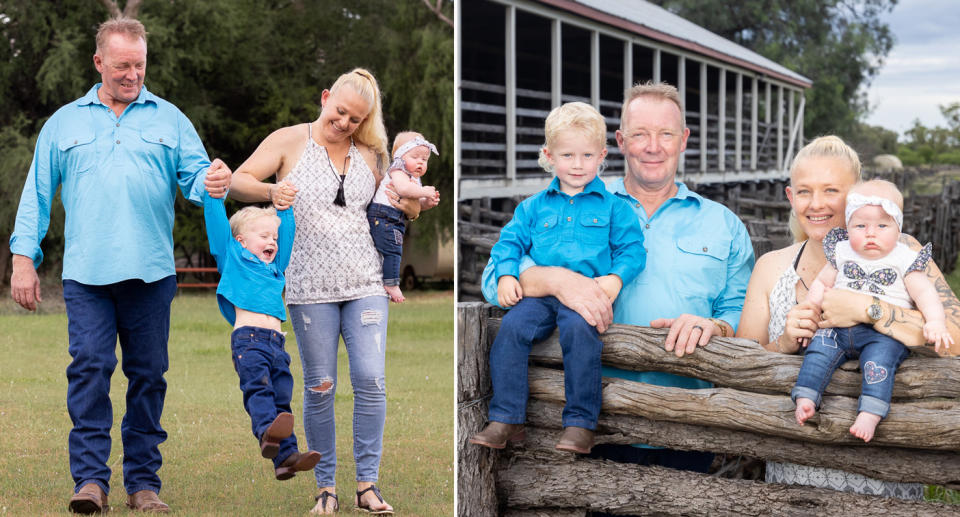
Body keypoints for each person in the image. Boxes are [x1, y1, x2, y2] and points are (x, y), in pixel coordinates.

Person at [7, 17, 231, 514]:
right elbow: (37, 196)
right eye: (122, 65)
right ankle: (90, 480)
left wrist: (214, 180)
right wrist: (24, 259)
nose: (132, 75)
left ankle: (144, 483)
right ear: (99, 62)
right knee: (89, 368)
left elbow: (197, 180)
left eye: (140, 65)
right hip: (86, 275)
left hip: (152, 274)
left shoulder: (170, 119)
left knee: (149, 375)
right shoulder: (64, 123)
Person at [481, 82, 754, 476]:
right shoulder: (575, 200)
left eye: (665, 134)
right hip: (601, 420)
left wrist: (717, 325)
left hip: (686, 419)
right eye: (640, 134)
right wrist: (557, 280)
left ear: (684, 140)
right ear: (621, 141)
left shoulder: (723, 223)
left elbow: (744, 312)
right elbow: (494, 279)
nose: (653, 146)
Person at [227, 68, 435, 515]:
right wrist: (272, 190)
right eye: (340, 112)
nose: (344, 123)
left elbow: (405, 208)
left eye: (356, 119)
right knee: (320, 387)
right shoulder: (289, 141)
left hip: (366, 282)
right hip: (308, 287)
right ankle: (326, 488)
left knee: (370, 380)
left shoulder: (373, 154)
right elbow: (239, 181)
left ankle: (367, 485)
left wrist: (415, 201)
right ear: (325, 98)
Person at [737, 135, 960, 499]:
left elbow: (955, 337)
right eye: (805, 192)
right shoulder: (771, 266)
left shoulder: (905, 254)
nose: (817, 204)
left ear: (859, 197)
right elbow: (737, 369)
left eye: (831, 190)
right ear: (791, 198)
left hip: (883, 470)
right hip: (795, 473)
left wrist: (868, 310)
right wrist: (783, 343)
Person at [470, 102, 646, 454]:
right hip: (539, 297)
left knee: (581, 334)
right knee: (511, 330)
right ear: (549, 155)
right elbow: (509, 244)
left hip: (587, 293)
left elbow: (633, 250)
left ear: (602, 156)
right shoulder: (533, 206)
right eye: (567, 155)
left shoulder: (614, 207)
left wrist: (615, 279)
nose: (577, 164)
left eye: (586, 155)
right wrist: (506, 276)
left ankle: (580, 424)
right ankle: (507, 418)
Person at [792, 179, 952, 442]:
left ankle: (871, 411)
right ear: (848, 226)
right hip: (837, 329)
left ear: (897, 227)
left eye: (881, 225)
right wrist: (810, 309)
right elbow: (822, 283)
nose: (870, 233)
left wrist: (935, 321)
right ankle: (807, 396)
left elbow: (925, 293)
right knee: (818, 349)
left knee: (878, 363)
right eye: (860, 225)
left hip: (882, 333)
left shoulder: (903, 258)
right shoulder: (842, 251)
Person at [202, 180, 324, 480]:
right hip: (249, 341)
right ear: (241, 240)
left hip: (277, 343)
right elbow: (217, 227)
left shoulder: (275, 268)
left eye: (274, 237)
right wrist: (214, 198)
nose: (272, 241)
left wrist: (285, 208)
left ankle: (286, 459)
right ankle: (266, 434)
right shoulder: (232, 257)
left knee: (282, 400)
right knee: (259, 388)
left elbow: (288, 233)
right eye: (264, 236)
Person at [367, 131, 440, 303]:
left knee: (394, 250)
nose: (421, 162)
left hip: (394, 218)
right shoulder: (398, 170)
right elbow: (403, 190)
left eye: (425, 159)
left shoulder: (414, 178)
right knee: (393, 250)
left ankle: (389, 280)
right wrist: (423, 192)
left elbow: (414, 205)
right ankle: (391, 283)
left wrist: (426, 203)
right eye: (415, 157)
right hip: (383, 215)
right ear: (400, 155)